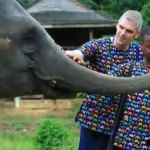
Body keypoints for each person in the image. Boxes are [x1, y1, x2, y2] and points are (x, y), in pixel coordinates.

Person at [64, 10, 144, 150]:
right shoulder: (98, 45)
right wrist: (75, 56)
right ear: (117, 26)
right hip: (95, 119)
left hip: (123, 125)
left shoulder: (139, 53)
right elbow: (81, 52)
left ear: (137, 34)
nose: (122, 33)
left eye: (129, 31)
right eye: (121, 27)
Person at [107, 26, 150, 149]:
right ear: (141, 46)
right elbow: (100, 81)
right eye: (149, 46)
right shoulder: (127, 70)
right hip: (126, 141)